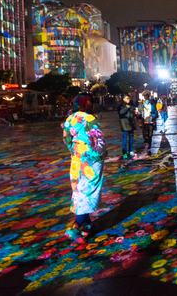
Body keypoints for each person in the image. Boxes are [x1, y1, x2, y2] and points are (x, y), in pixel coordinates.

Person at [63, 94, 107, 243]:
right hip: (90, 160)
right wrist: (100, 155)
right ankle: (76, 226)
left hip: (76, 159)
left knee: (79, 189)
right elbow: (98, 139)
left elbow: (66, 140)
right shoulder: (90, 119)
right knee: (87, 191)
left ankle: (88, 225)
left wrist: (75, 151)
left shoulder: (69, 120)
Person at [138, 92, 158, 157]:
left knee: (150, 136)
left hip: (150, 123)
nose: (146, 99)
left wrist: (151, 116)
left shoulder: (152, 105)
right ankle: (147, 148)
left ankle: (149, 147)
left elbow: (156, 113)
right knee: (145, 136)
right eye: (145, 97)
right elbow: (138, 114)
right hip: (144, 123)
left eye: (147, 98)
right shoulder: (141, 105)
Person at [118, 94, 136, 160]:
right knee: (124, 138)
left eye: (129, 98)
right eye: (127, 98)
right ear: (123, 99)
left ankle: (131, 151)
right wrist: (127, 107)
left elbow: (133, 111)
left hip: (130, 122)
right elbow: (120, 113)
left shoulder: (131, 105)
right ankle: (124, 153)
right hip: (124, 124)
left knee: (131, 137)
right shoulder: (121, 106)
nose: (128, 100)